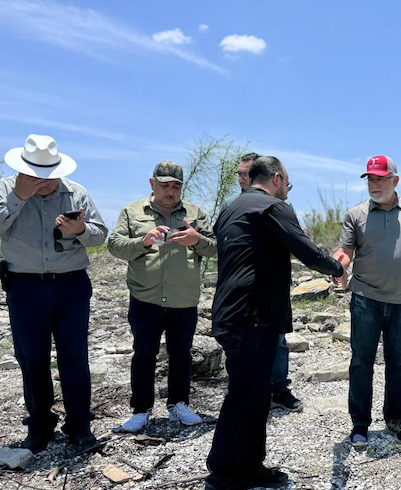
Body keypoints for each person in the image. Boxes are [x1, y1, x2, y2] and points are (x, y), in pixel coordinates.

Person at [204, 156, 343, 490]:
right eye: (288, 186)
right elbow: (307, 251)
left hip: (236, 313)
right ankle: (222, 481)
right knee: (243, 398)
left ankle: (250, 467)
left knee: (255, 396)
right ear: (278, 179)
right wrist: (337, 268)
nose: (287, 192)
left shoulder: (233, 207)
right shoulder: (271, 207)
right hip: (252, 315)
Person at [0, 134, 108, 452]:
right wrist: (18, 197)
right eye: (36, 175)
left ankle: (80, 426)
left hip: (71, 286)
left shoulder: (76, 193)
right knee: (31, 358)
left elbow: (100, 234)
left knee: (74, 357)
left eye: (49, 174)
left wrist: (81, 230)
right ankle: (40, 425)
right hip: (25, 286)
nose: (43, 182)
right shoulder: (6, 190)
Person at [332, 155, 401, 447]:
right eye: (370, 179)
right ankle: (360, 425)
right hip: (365, 299)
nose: (374, 184)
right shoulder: (356, 214)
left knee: (398, 363)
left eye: (380, 178)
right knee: (361, 363)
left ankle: (395, 419)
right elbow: (345, 250)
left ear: (395, 181)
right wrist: (338, 265)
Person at [108, 161, 217, 432]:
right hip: (146, 297)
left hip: (184, 298)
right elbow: (114, 246)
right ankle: (141, 410)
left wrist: (197, 240)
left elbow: (215, 248)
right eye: (165, 185)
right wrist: (143, 241)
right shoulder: (132, 212)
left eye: (176, 186)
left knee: (181, 353)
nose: (171, 191)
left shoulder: (194, 213)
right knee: (144, 354)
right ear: (152, 184)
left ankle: (178, 404)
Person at [230, 152, 300, 413]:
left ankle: (279, 388)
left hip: (272, 291)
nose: (244, 178)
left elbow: (295, 244)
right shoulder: (232, 207)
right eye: (240, 174)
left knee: (278, 339)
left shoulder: (280, 207)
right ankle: (248, 392)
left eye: (248, 173)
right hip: (242, 294)